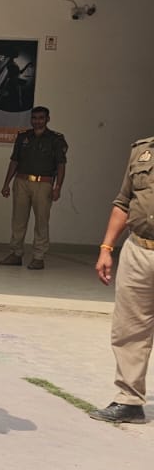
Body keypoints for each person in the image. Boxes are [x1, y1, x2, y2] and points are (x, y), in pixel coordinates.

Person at [89, 136, 154, 424]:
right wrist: (106, 248)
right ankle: (129, 400)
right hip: (138, 250)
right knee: (129, 329)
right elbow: (123, 202)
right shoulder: (142, 151)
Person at [0, 106, 68, 270]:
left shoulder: (56, 139)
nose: (37, 121)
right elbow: (14, 161)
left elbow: (61, 164)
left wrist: (58, 187)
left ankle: (38, 257)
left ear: (47, 119)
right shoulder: (23, 137)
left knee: (41, 221)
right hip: (21, 181)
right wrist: (6, 183)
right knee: (18, 220)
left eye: (41, 118)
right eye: (34, 118)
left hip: (43, 183)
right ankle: (16, 253)